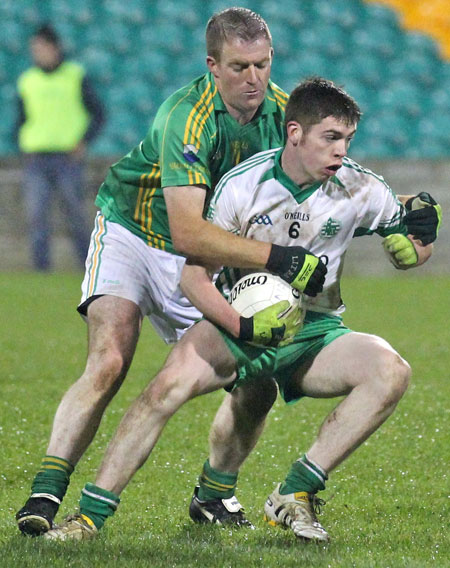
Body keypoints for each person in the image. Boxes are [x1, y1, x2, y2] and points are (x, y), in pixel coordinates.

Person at [39, 78, 438, 541]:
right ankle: (88, 518)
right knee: (162, 392)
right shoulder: (243, 185)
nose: (340, 151)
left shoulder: (361, 187)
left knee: (391, 370)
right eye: (331, 138)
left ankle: (295, 493)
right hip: (237, 323)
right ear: (295, 133)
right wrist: (240, 324)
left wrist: (419, 240)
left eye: (348, 139)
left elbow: (410, 235)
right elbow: (192, 276)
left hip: (314, 331)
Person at [16, 8, 328, 538]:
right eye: (238, 67)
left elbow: (339, 178)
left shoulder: (286, 118)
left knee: (259, 382)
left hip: (207, 259)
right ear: (212, 65)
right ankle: (47, 489)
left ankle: (214, 496)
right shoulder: (186, 115)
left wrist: (398, 213)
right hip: (134, 235)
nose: (252, 78)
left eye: (262, 64)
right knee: (110, 358)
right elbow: (186, 232)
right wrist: (277, 259)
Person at [15, 24, 105, 271]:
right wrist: (22, 143)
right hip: (36, 158)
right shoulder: (27, 80)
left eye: (42, 48)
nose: (37, 53)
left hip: (67, 157)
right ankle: (41, 270)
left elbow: (98, 113)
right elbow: (21, 119)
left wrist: (84, 141)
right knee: (36, 218)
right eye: (34, 49)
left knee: (76, 216)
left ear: (55, 48)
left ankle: (88, 268)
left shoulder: (75, 75)